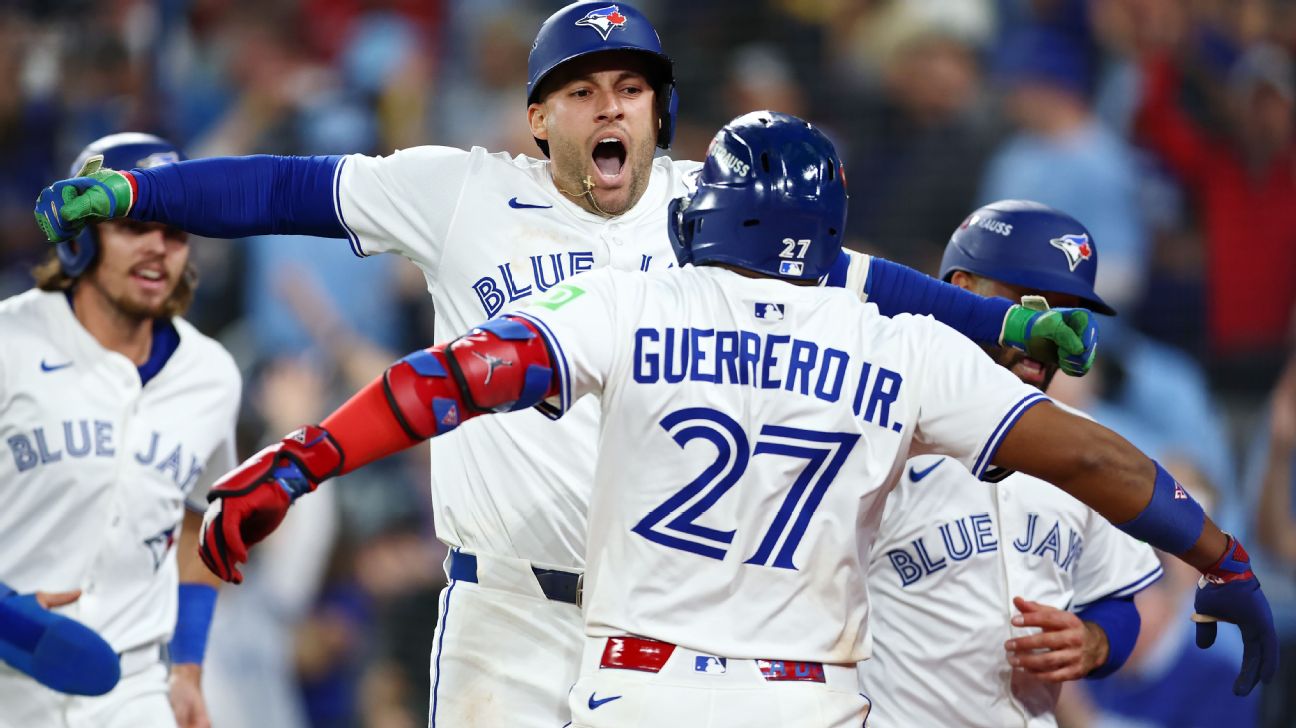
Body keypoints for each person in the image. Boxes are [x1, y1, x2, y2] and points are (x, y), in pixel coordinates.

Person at [33, 4, 1099, 724]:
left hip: (668, 626)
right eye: (582, 91)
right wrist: (141, 194)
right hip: (505, 608)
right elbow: (281, 189)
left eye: (631, 88)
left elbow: (859, 278)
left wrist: (993, 321)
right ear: (539, 116)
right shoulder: (461, 190)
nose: (610, 107)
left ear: (658, 110)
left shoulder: (711, 204)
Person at [194, 111, 1274, 728]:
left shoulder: (631, 298)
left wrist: (301, 456)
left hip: (642, 687)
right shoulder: (897, 344)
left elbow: (449, 380)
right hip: (811, 701)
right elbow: (1089, 454)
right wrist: (1221, 555)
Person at [858, 200, 1163, 727]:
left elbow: (1115, 597)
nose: (1053, 331)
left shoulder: (1082, 449)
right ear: (962, 289)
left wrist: (1094, 641)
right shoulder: (883, 433)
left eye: (1071, 314)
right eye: (1034, 304)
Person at [1, 133, 239, 728]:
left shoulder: (211, 375)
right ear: (81, 236)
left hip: (132, 690)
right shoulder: (9, 342)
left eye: (175, 231)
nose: (159, 248)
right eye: (135, 226)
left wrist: (188, 667)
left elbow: (201, 519)